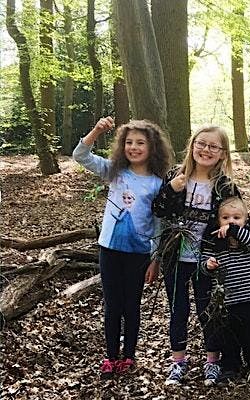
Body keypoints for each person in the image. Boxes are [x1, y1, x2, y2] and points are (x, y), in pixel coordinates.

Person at [73, 117, 172, 379]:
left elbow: (159, 224)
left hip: (138, 253)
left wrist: (155, 259)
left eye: (140, 142)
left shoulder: (158, 183)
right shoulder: (114, 171)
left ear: (152, 147)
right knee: (112, 305)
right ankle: (110, 356)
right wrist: (96, 130)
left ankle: (129, 355)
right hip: (109, 249)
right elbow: (80, 155)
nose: (134, 147)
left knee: (131, 305)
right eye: (129, 142)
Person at [152, 125, 240, 386]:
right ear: (192, 146)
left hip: (207, 260)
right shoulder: (175, 176)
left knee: (208, 310)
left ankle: (212, 361)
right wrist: (171, 190)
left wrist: (231, 230)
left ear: (223, 154)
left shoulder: (225, 187)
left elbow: (241, 218)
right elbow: (158, 210)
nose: (206, 150)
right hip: (175, 258)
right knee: (178, 309)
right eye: (201, 144)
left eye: (214, 146)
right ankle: (178, 361)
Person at [200, 197, 250, 384]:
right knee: (228, 336)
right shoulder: (214, 241)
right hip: (226, 302)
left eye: (237, 218)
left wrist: (235, 230)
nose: (231, 221)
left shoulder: (247, 238)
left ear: (244, 220)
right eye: (226, 218)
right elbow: (203, 263)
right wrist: (208, 264)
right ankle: (230, 366)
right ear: (218, 220)